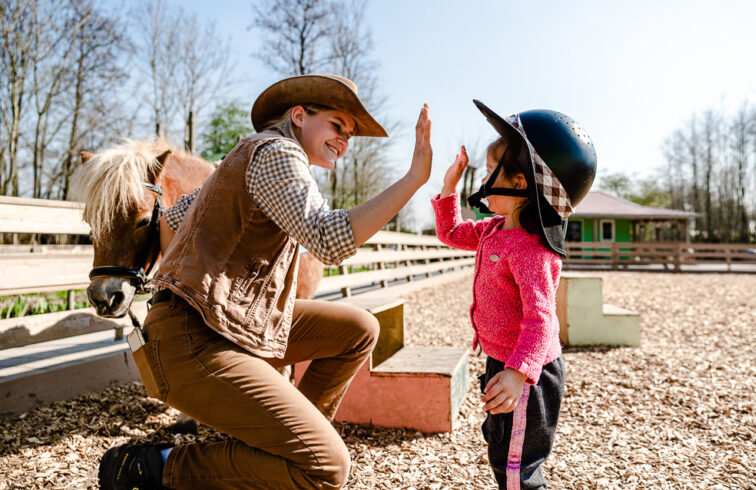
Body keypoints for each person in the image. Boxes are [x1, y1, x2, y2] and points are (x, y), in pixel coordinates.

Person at [97, 74, 432, 489]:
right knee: (327, 468)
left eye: (349, 134)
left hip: (224, 326)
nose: (344, 141)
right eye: (336, 125)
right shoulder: (278, 151)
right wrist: (413, 179)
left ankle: (287, 444)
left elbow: (172, 221)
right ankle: (155, 465)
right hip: (194, 339)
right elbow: (328, 240)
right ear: (298, 116)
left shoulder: (242, 163)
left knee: (360, 330)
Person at [431, 100, 596, 489]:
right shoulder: (494, 229)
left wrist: (519, 375)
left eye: (490, 172)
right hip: (503, 361)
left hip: (526, 372)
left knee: (517, 467)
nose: (483, 181)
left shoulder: (531, 251)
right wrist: (449, 187)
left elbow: (541, 320)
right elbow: (450, 233)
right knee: (501, 448)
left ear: (520, 183)